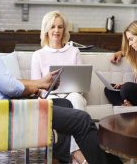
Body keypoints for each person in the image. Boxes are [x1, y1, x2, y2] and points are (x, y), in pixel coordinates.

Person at [0, 4, 122, 164]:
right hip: (5, 113)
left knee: (67, 103)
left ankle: (70, 157)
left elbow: (4, 83)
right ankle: (102, 161)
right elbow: (10, 87)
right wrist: (38, 85)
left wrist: (39, 84)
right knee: (82, 119)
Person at [31, 11, 87, 163]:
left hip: (72, 93)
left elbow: (82, 83)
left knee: (76, 97)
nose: (56, 30)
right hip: (51, 96)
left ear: (64, 29)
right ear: (46, 30)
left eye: (60, 27)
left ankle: (75, 151)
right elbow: (36, 86)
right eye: (53, 27)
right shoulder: (38, 55)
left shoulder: (74, 51)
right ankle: (76, 154)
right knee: (61, 103)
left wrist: (76, 89)